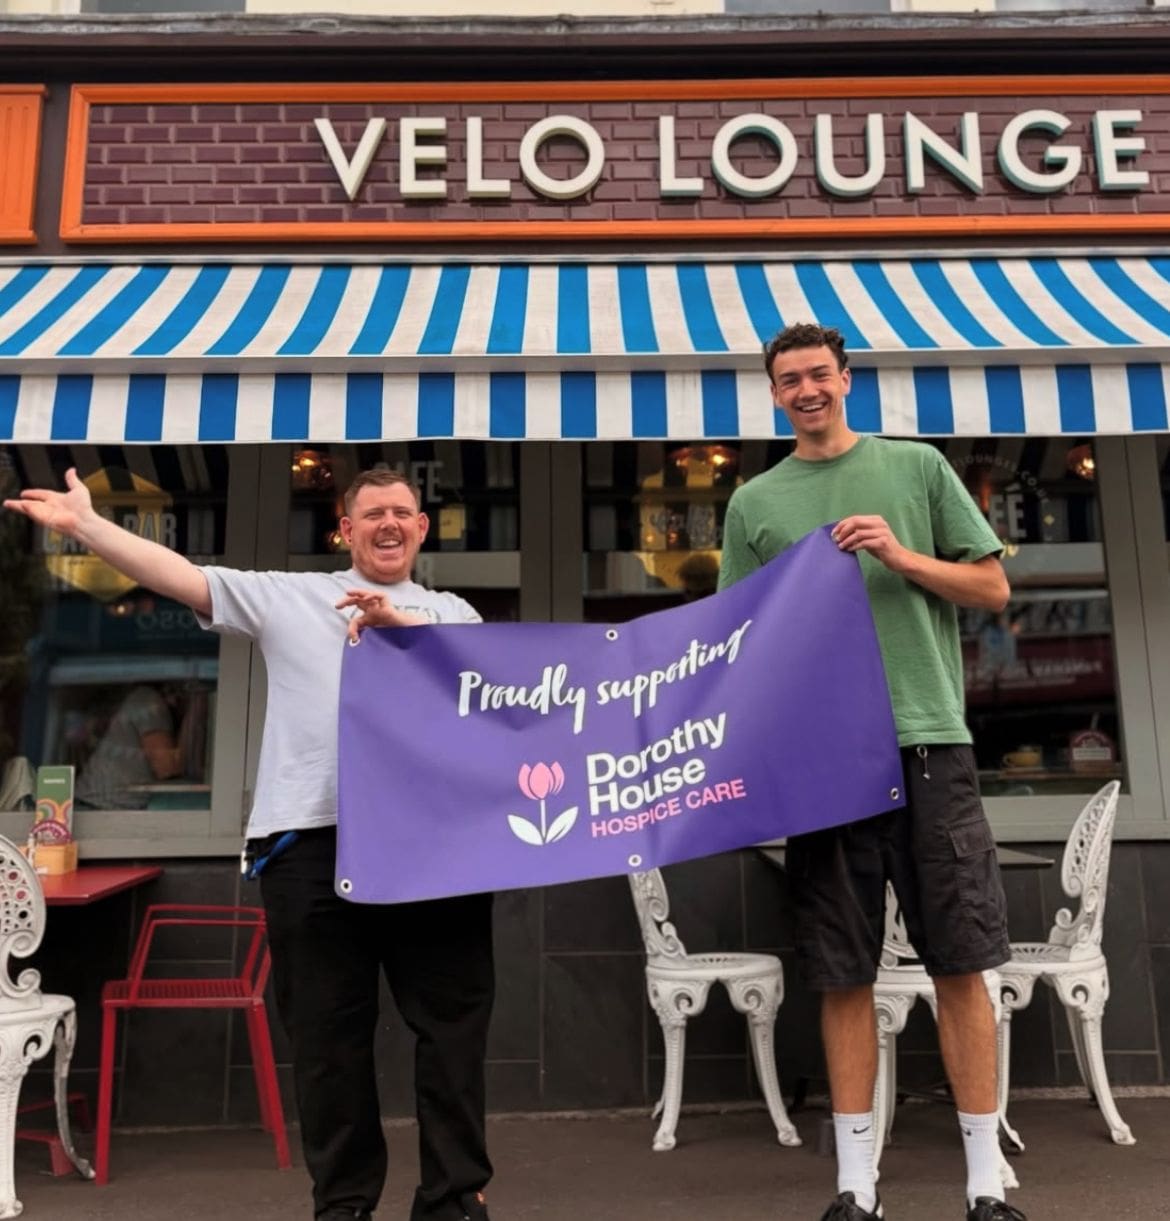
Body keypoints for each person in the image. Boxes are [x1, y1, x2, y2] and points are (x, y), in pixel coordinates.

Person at [4, 467, 494, 1221]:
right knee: (329, 1044)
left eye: (403, 512)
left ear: (424, 528)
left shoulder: (456, 612)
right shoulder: (291, 597)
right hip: (309, 846)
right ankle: (344, 1205)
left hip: (434, 846)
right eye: (373, 514)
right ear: (346, 529)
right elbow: (184, 576)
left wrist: (406, 632)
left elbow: (488, 694)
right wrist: (89, 527)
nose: (389, 524)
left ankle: (455, 1202)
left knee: (453, 1033)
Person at [718, 323, 1022, 1221]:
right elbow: (739, 643)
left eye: (818, 374)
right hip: (822, 762)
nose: (806, 389)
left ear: (847, 379)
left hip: (931, 744)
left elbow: (994, 589)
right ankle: (856, 1189)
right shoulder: (754, 503)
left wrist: (899, 554)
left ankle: (985, 1184)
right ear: (775, 396)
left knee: (960, 962)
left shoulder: (919, 467)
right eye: (788, 380)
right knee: (842, 971)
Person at [75, 683, 185, 810]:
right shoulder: (147, 700)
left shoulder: (125, 697)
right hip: (109, 809)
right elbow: (166, 767)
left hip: (91, 806)